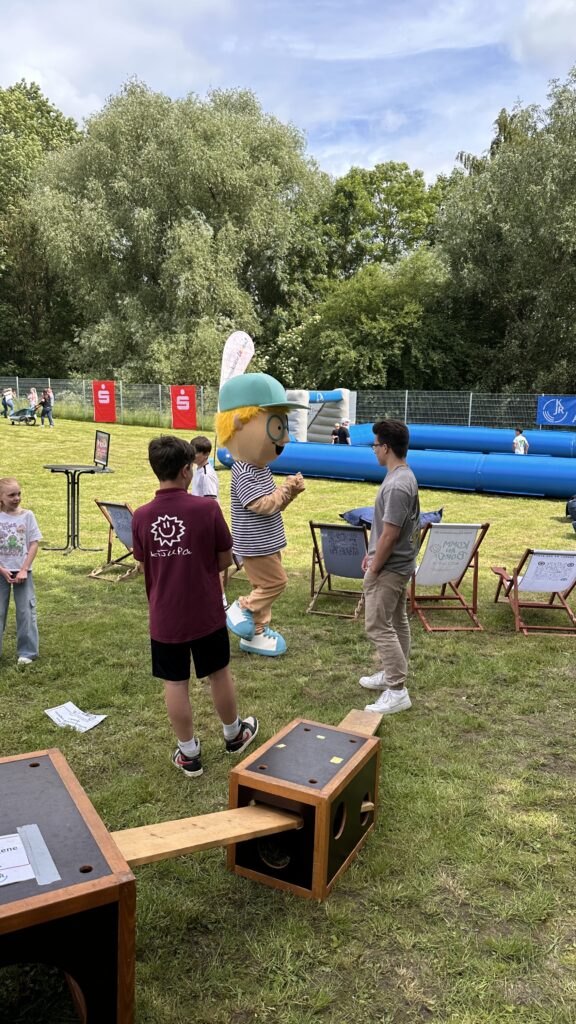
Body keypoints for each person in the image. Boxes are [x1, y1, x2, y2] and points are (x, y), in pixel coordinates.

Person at [131, 435, 258, 778]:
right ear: (187, 470)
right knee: (218, 673)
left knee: (175, 682)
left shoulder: (141, 516)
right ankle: (234, 734)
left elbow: (143, 564)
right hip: (205, 611)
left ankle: (188, 753)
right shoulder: (207, 509)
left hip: (165, 615)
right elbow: (224, 559)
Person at [216, 373, 307, 657]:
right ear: (239, 424)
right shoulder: (243, 471)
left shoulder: (260, 468)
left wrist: (290, 493)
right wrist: (286, 489)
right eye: (277, 426)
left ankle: (256, 633)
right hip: (255, 544)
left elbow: (274, 506)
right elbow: (262, 505)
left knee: (262, 586)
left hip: (267, 540)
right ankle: (240, 607)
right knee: (275, 582)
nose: (285, 438)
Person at [360, 420, 420, 715]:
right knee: (397, 622)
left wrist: (374, 568)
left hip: (391, 568)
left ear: (385, 447)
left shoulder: (397, 485)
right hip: (398, 563)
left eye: (375, 445)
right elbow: (386, 531)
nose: (374, 450)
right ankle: (391, 673)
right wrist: (371, 554)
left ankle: (397, 690)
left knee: (377, 625)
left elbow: (390, 534)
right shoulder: (403, 476)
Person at [0, 477, 42, 666]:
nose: (17, 498)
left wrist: (24, 569)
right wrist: (2, 569)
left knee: (26, 611)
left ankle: (27, 652)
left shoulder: (27, 515)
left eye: (19, 494)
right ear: (1, 497)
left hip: (23, 572)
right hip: (1, 571)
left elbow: (34, 543)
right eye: (11, 495)